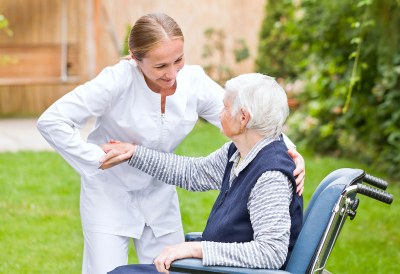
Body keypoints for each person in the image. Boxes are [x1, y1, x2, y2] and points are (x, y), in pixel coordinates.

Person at [36, 12, 305, 274]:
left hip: (159, 193)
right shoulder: (116, 81)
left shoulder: (193, 81)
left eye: (178, 60)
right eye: (160, 66)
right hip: (109, 193)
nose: (172, 73)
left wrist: (288, 152)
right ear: (135, 59)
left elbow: (254, 118)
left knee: (172, 268)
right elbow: (52, 121)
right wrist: (95, 159)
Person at [103, 73, 303, 274]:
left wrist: (195, 249)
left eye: (225, 107)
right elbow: (193, 173)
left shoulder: (270, 177)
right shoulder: (239, 152)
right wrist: (134, 153)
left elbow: (271, 253)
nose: (219, 114)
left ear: (243, 118)